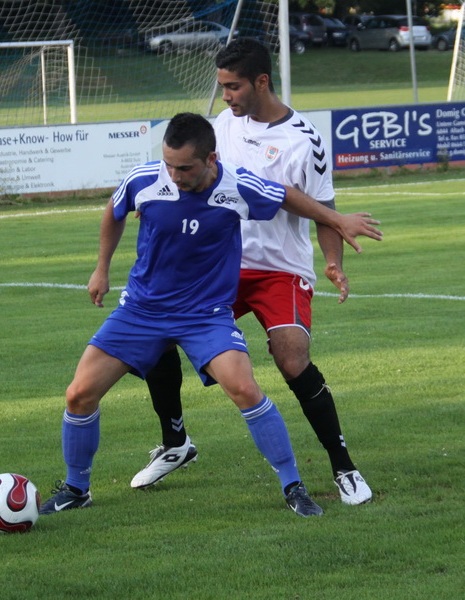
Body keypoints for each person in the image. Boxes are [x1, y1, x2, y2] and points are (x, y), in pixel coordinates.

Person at [40, 113, 381, 518]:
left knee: (245, 389)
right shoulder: (144, 179)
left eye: (184, 168)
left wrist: (337, 219)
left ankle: (294, 486)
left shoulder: (237, 186)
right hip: (142, 311)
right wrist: (101, 268)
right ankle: (77, 488)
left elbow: (287, 196)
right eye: (169, 164)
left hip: (205, 315)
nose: (174, 175)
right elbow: (114, 212)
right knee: (78, 394)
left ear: (211, 159)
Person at [134, 39, 375, 506]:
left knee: (291, 358)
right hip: (219, 266)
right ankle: (176, 442)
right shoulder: (221, 127)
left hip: (279, 270)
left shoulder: (304, 140)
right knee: (156, 335)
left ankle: (344, 466)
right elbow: (189, 179)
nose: (225, 96)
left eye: (233, 86)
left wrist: (333, 262)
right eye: (222, 86)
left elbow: (325, 209)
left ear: (261, 82)